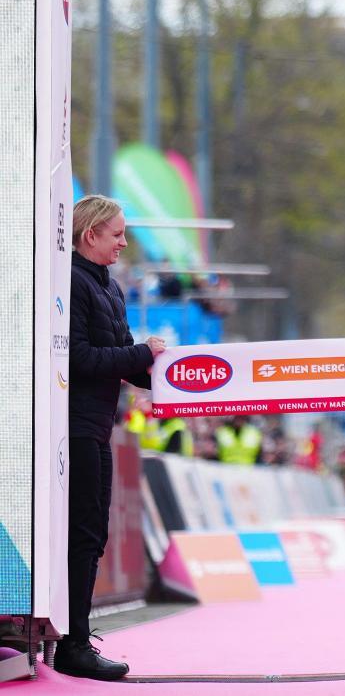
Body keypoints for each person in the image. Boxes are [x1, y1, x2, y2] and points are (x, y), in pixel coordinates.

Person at [63, 196, 165, 680]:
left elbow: (124, 359)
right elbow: (80, 358)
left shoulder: (110, 286)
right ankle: (73, 644)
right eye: (118, 234)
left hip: (98, 427)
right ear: (91, 235)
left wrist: (175, 375)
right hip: (75, 427)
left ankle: (75, 639)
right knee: (83, 533)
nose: (124, 243)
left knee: (93, 533)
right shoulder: (71, 281)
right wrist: (143, 354)